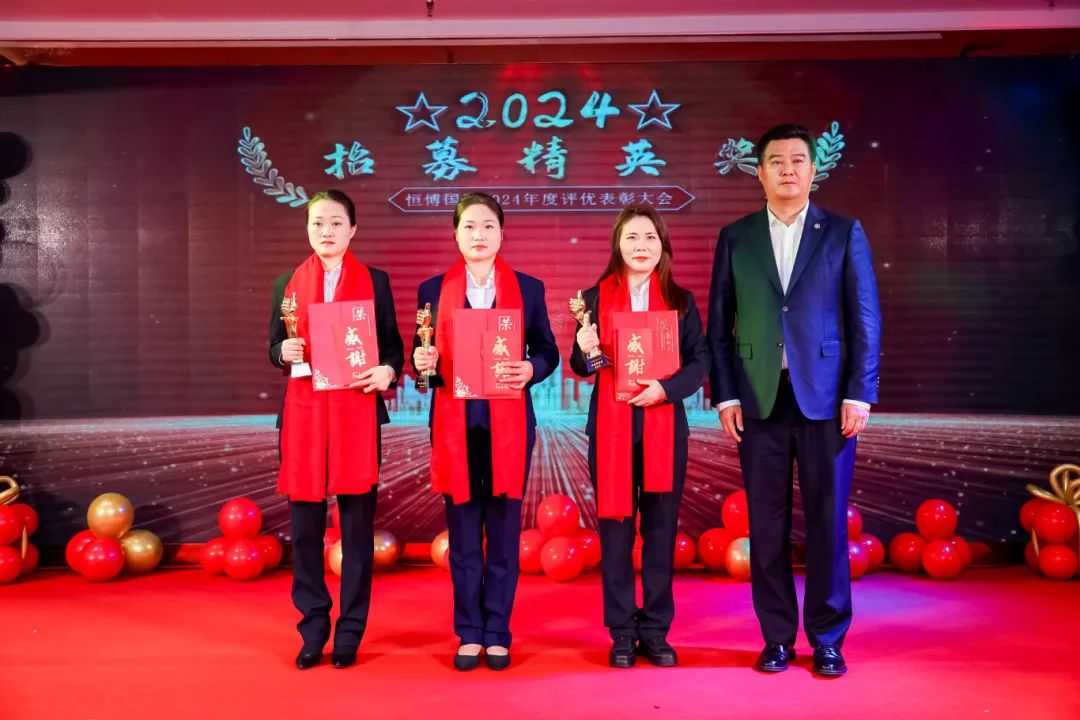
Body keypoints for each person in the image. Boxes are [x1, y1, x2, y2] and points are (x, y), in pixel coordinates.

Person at [707, 124, 882, 677]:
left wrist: (860, 392)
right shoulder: (736, 237)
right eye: (776, 161)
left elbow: (865, 318)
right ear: (758, 172)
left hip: (827, 400)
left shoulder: (843, 232)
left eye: (798, 160)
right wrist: (725, 394)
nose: (787, 170)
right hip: (758, 399)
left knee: (828, 521)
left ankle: (828, 639)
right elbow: (719, 325)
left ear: (813, 171)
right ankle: (777, 637)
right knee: (766, 524)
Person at [412, 192, 559, 671]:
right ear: (455, 234)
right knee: (463, 535)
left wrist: (530, 368)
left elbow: (548, 351)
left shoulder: (528, 289)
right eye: (469, 226)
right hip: (455, 427)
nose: (479, 235)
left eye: (488, 226)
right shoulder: (433, 290)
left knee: (503, 531)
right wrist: (422, 362)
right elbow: (422, 364)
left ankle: (497, 631)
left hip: (509, 427)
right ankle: (469, 632)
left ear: (502, 233)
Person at [269, 189, 405, 670]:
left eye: (335, 223)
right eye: (317, 223)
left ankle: (350, 631)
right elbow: (274, 346)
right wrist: (281, 353)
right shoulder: (287, 283)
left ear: (353, 230)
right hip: (303, 417)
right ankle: (313, 627)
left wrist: (388, 371)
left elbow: (394, 348)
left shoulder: (375, 282)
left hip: (356, 415)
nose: (325, 231)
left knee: (356, 531)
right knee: (306, 532)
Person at [570, 204, 709, 669]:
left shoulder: (681, 301)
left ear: (662, 246)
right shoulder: (593, 298)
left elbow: (700, 361)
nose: (641, 246)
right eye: (631, 237)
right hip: (611, 429)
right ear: (618, 245)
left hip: (664, 426)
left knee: (660, 531)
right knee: (615, 530)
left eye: (650, 237)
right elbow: (581, 365)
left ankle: (655, 630)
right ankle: (622, 632)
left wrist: (665, 390)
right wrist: (586, 350)